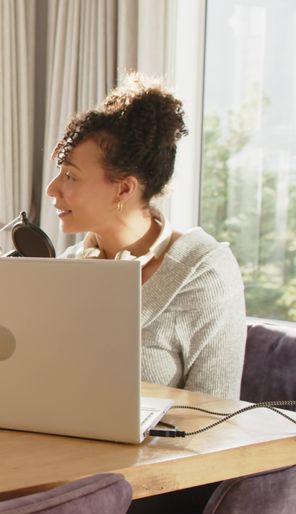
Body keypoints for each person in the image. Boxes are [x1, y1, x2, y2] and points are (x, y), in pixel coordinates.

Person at [46, 74, 246, 399]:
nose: (52, 189)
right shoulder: (67, 268)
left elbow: (216, 418)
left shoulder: (204, 275)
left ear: (124, 188)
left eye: (70, 175)